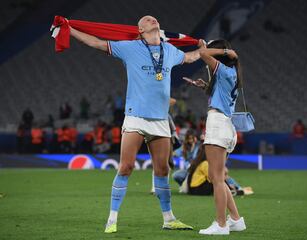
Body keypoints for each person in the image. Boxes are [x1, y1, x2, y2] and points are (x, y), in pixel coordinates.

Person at [69, 15, 204, 233]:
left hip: (160, 119)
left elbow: (190, 58)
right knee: (126, 167)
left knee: (162, 169)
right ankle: (112, 219)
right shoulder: (129, 48)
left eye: (155, 19)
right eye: (148, 20)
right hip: (136, 117)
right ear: (140, 30)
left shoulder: (169, 51)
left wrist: (203, 49)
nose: (153, 20)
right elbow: (95, 42)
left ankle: (168, 218)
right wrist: (70, 29)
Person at [184, 39, 246, 235]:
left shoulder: (226, 70)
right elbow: (222, 96)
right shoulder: (230, 74)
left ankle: (220, 225)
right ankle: (236, 220)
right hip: (225, 125)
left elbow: (202, 53)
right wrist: (205, 87)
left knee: (217, 179)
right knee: (214, 176)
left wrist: (225, 51)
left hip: (218, 124)